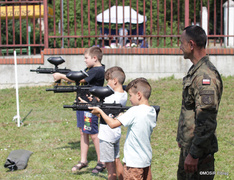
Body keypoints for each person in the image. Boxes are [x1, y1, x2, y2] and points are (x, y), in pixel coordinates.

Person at [177, 25, 223, 180]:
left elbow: (206, 119)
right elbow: (189, 110)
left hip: (199, 156)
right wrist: (182, 139)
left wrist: (194, 154)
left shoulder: (205, 77)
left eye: (181, 43)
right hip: (190, 149)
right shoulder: (196, 71)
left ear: (191, 44)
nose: (180, 47)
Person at [90, 78, 157, 180]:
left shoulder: (134, 111)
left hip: (134, 163)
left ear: (139, 95)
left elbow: (112, 124)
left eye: (131, 95)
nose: (129, 99)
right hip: (146, 160)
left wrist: (100, 111)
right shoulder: (151, 111)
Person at [53, 46, 106, 174]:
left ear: (94, 58)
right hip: (82, 104)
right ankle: (83, 160)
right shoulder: (90, 69)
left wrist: (62, 75)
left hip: (90, 106)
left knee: (93, 134)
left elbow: (81, 79)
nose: (84, 60)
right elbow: (79, 75)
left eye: (86, 58)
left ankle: (102, 161)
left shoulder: (97, 70)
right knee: (83, 132)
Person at [98, 66, 127, 180]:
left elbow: (101, 113)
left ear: (114, 81)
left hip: (107, 134)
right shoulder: (123, 94)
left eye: (108, 81)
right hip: (115, 132)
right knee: (116, 159)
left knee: (109, 165)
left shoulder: (110, 98)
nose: (107, 85)